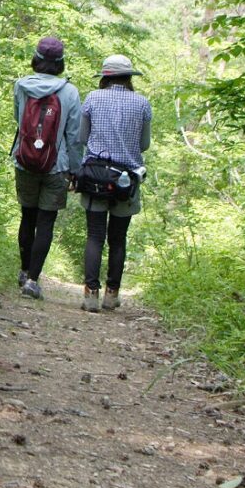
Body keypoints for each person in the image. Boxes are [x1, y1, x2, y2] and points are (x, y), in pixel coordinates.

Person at [10, 35, 84, 301]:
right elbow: (74, 136)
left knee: (27, 216)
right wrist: (76, 170)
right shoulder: (70, 92)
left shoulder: (21, 86)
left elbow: (18, 121)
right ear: (60, 62)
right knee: (46, 222)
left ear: (36, 58)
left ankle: (23, 269)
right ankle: (33, 280)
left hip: (24, 160)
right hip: (57, 165)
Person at [77, 54, 152, 313]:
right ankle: (112, 294)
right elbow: (144, 145)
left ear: (105, 77)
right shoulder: (142, 103)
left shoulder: (92, 99)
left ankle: (90, 294)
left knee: (95, 236)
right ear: (130, 77)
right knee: (118, 239)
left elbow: (83, 137)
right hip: (126, 179)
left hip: (96, 175)